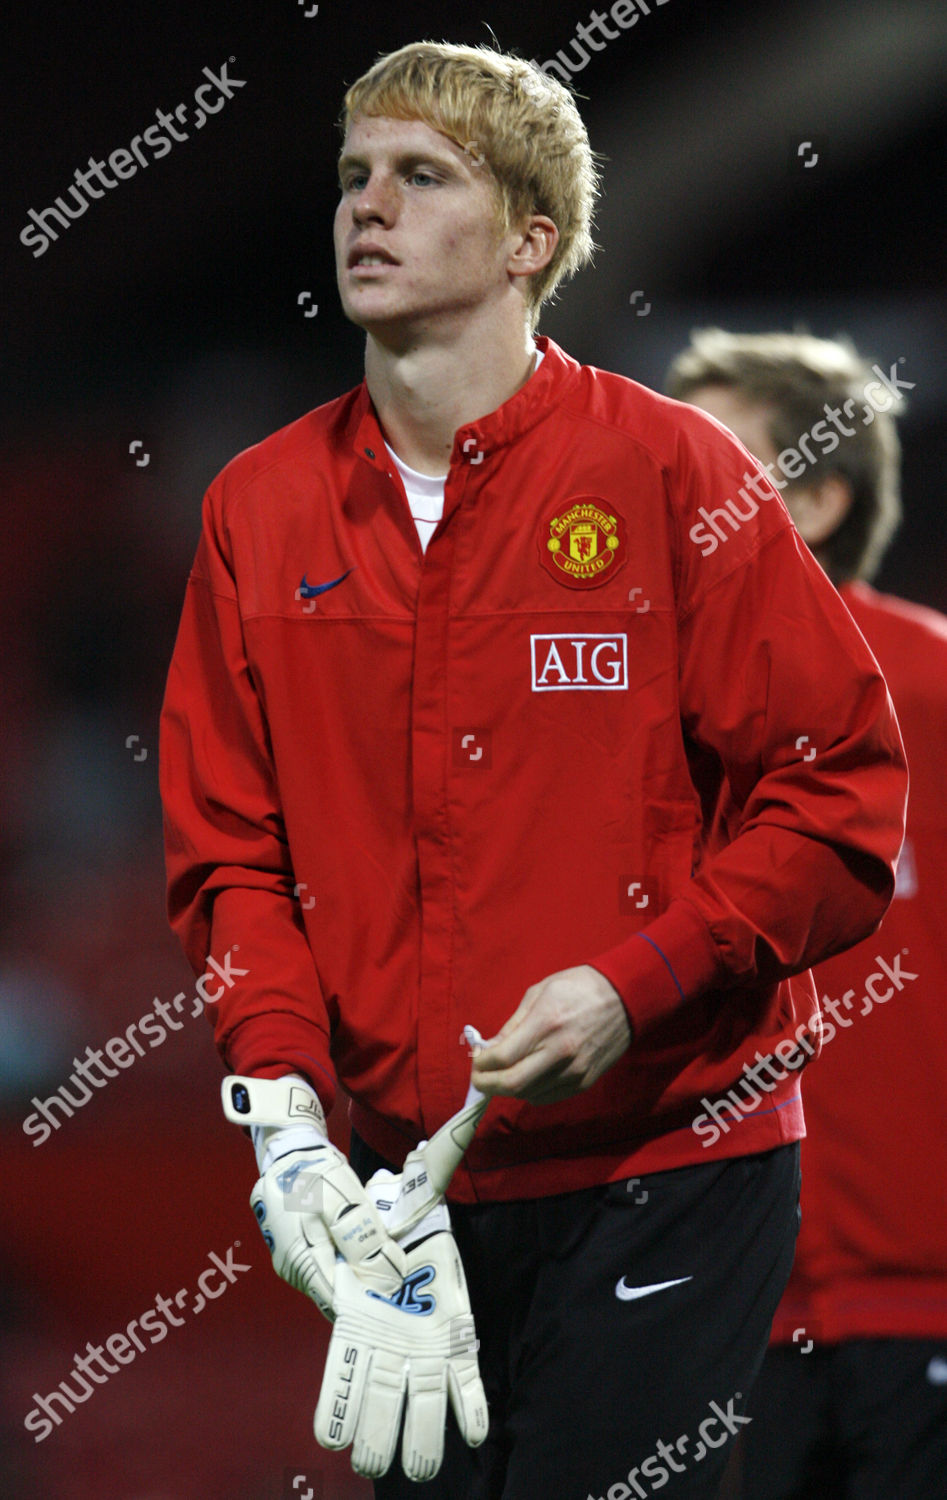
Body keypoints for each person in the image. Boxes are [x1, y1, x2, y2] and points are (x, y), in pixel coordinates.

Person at [159, 43, 908, 1500]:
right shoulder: (256, 507)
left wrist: (632, 985)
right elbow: (228, 852)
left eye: (419, 178)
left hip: (673, 1172)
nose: (365, 208)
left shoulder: (676, 476)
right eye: (351, 177)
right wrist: (290, 1122)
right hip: (403, 1194)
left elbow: (836, 801)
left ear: (526, 243)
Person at [668, 327, 947, 1500]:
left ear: (821, 495)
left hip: (924, 1306)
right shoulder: (618, 711)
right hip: (717, 1316)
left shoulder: (931, 692)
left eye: (711, 467)